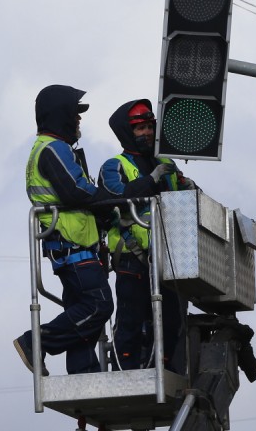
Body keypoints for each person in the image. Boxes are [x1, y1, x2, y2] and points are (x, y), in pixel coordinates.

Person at [14, 84, 114, 376]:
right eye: (75, 114)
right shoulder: (52, 148)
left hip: (72, 247)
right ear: (61, 115)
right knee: (99, 306)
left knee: (80, 311)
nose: (79, 120)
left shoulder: (52, 148)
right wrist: (112, 199)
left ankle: (85, 374)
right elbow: (75, 192)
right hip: (73, 248)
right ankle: (36, 341)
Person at [98, 98, 195, 373]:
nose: (147, 133)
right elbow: (116, 197)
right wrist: (152, 178)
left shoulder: (166, 163)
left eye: (150, 127)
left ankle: (162, 368)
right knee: (131, 318)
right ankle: (124, 373)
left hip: (168, 257)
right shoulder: (113, 166)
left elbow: (182, 200)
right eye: (140, 128)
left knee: (172, 318)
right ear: (127, 132)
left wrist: (188, 185)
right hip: (132, 258)